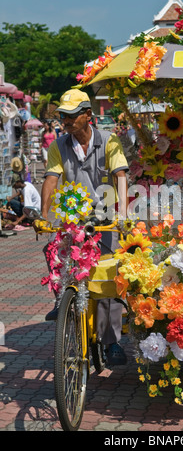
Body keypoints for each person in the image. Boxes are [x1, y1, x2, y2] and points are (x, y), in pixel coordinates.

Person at [34, 89, 129, 366]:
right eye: (63, 116)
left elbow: (120, 176)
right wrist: (43, 215)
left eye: (72, 116)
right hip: (73, 217)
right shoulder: (58, 145)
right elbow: (51, 179)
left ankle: (111, 342)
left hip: (106, 218)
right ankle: (63, 305)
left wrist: (122, 214)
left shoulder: (109, 142)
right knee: (57, 256)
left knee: (107, 278)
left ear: (88, 115)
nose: (66, 121)